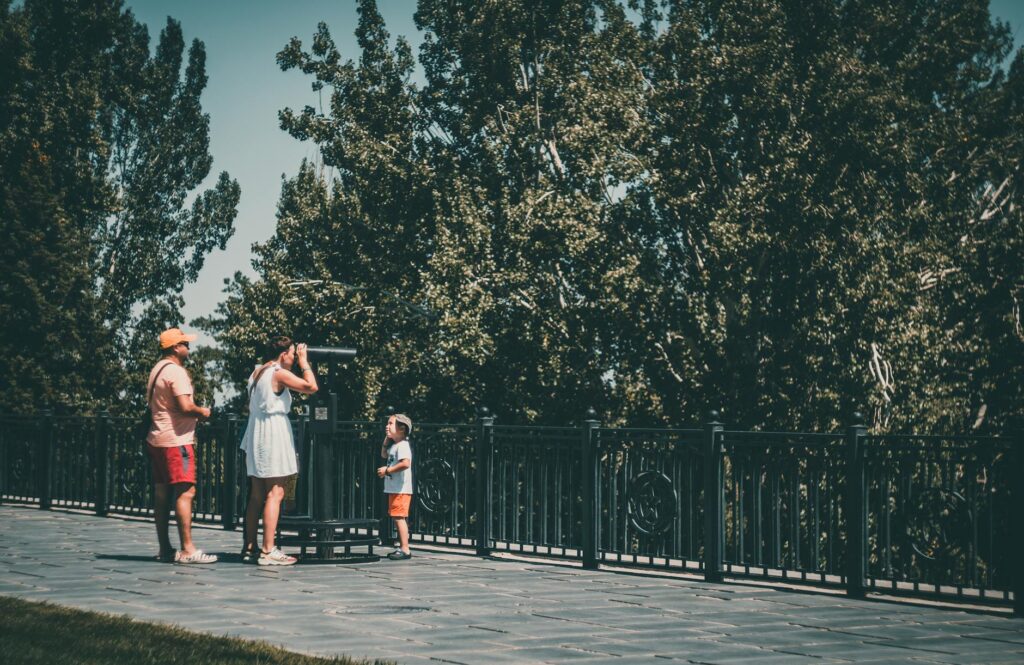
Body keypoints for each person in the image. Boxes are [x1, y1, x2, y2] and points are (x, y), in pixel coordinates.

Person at [239, 335, 318, 566]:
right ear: (283, 354)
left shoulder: (257, 372)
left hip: (256, 431)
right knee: (276, 492)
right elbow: (311, 387)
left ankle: (250, 546)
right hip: (272, 431)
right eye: (292, 354)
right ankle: (268, 549)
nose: (294, 358)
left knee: (256, 494)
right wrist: (304, 363)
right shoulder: (278, 372)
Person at [146, 327, 216, 564]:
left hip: (157, 438)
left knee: (162, 494)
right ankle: (188, 549)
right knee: (186, 491)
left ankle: (165, 548)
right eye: (185, 343)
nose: (188, 347)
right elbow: (185, 407)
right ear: (175, 348)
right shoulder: (176, 372)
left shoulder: (158, 369)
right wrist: (203, 412)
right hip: (177, 441)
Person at [377, 414, 414, 560]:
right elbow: (384, 454)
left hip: (401, 489)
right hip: (394, 488)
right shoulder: (395, 445)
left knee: (399, 517)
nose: (387, 426)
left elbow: (405, 463)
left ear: (401, 429)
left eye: (390, 424)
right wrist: (386, 440)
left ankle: (405, 548)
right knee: (396, 516)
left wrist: (388, 470)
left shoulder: (403, 445)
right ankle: (403, 547)